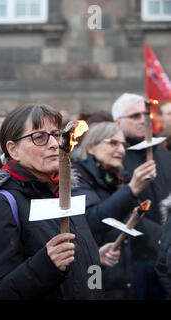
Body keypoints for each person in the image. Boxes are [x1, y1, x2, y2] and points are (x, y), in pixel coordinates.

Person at [0, 104, 111, 300]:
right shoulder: (0, 206)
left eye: (56, 134)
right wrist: (45, 265)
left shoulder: (65, 194)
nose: (54, 143)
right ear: (13, 150)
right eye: (39, 137)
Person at [72, 122, 156, 299]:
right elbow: (92, 221)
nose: (122, 150)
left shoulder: (116, 177)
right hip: (94, 276)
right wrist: (131, 189)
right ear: (92, 146)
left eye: (124, 145)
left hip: (122, 275)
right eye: (113, 143)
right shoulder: (77, 177)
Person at [112, 93, 171, 299]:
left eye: (145, 115)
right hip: (135, 258)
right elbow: (121, 207)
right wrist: (160, 237)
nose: (142, 120)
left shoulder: (163, 154)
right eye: (135, 116)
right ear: (117, 121)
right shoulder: (115, 158)